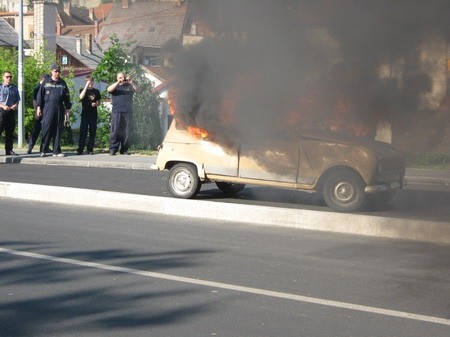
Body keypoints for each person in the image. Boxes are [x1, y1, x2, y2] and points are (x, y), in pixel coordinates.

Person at [36, 63, 72, 157]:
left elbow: (67, 98)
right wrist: (38, 107)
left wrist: (67, 109)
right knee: (47, 128)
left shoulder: (62, 83)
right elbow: (40, 95)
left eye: (58, 71)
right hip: (48, 108)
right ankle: (44, 149)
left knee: (58, 129)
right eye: (55, 71)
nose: (57, 73)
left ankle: (56, 151)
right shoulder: (46, 82)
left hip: (59, 108)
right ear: (52, 71)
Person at [107, 71, 140, 155]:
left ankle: (124, 149)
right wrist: (118, 82)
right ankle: (113, 149)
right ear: (117, 78)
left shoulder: (129, 85)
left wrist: (132, 82)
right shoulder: (115, 86)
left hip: (128, 111)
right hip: (117, 111)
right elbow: (108, 89)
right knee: (115, 130)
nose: (122, 79)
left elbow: (138, 90)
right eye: (120, 77)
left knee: (127, 131)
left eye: (123, 77)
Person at [77, 75, 101, 155]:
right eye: (89, 82)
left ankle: (90, 149)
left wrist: (96, 104)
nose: (91, 83)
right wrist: (86, 86)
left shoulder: (96, 91)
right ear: (86, 82)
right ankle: (80, 149)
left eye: (91, 81)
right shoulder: (82, 90)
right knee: (83, 132)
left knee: (92, 133)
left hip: (93, 115)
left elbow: (99, 102)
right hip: (85, 115)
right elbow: (81, 97)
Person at [0, 71, 20, 156]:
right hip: (1, 111)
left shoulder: (14, 88)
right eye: (7, 77)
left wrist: (15, 106)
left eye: (10, 77)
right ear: (3, 78)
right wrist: (3, 106)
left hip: (11, 112)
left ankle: (9, 150)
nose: (9, 78)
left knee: (10, 132)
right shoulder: (0, 87)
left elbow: (17, 100)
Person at [27, 74, 49, 154]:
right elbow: (35, 101)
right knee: (36, 130)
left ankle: (43, 147)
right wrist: (37, 110)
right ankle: (30, 147)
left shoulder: (45, 87)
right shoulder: (37, 88)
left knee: (45, 130)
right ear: (43, 79)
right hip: (39, 111)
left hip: (46, 111)